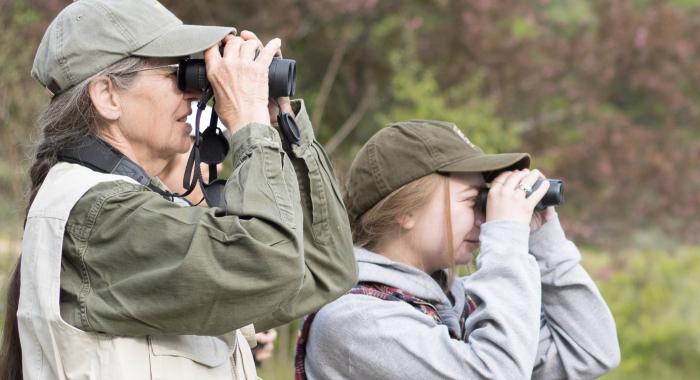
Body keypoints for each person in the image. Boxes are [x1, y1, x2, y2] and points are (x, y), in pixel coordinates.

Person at [0, 0, 356, 379]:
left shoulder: (137, 210)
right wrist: (250, 125)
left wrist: (279, 120)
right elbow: (271, 262)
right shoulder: (100, 215)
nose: (193, 93)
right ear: (108, 96)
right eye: (177, 73)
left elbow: (324, 267)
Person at [296, 120, 620, 379]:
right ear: (404, 211)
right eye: (473, 201)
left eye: (486, 202)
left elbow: (590, 351)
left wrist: (544, 240)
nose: (484, 218)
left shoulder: (452, 305)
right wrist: (506, 237)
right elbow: (495, 373)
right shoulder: (355, 322)